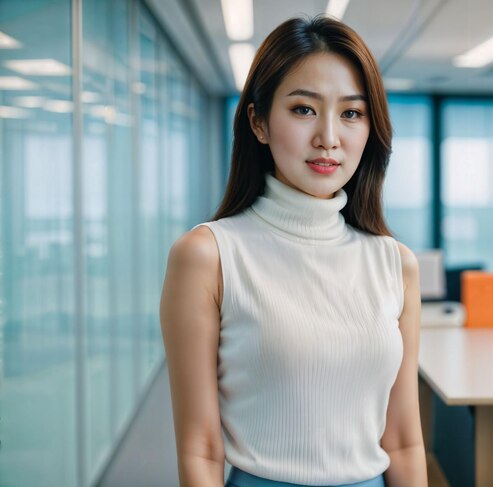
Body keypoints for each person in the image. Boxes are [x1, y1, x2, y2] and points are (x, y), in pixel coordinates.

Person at [160, 14, 427, 487]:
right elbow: (200, 450)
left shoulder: (394, 263)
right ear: (259, 122)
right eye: (304, 109)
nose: (329, 137)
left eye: (351, 113)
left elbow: (403, 440)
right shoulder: (209, 256)